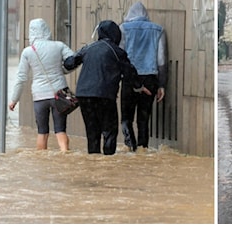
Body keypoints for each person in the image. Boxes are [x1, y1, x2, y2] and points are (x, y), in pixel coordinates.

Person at [64, 20, 147, 155]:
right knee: (109, 131)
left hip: (84, 96)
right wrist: (139, 87)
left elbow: (69, 63)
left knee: (92, 132)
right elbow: (129, 72)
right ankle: (107, 161)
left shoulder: (88, 48)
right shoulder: (117, 52)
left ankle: (94, 162)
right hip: (104, 96)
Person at [9, 18, 74, 152]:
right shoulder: (59, 46)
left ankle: (41, 159)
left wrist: (14, 99)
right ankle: (65, 155)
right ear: (47, 30)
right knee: (60, 130)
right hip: (59, 94)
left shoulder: (28, 51)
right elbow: (73, 61)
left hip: (39, 96)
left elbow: (21, 77)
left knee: (42, 132)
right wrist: (62, 71)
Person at [119, 1, 168, 152]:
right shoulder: (158, 30)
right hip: (150, 78)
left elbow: (120, 55)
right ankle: (143, 149)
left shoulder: (123, 28)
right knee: (143, 118)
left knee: (126, 117)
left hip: (129, 78)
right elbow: (161, 60)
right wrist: (161, 85)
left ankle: (130, 147)